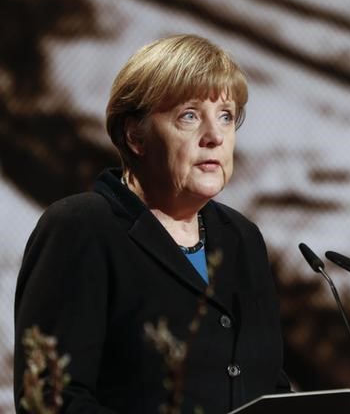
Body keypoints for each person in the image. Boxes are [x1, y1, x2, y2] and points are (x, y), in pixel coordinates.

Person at [14, 34, 290, 413]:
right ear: (136, 136)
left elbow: (270, 388)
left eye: (226, 116)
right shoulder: (80, 228)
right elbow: (53, 398)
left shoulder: (242, 238)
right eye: (189, 116)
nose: (214, 136)